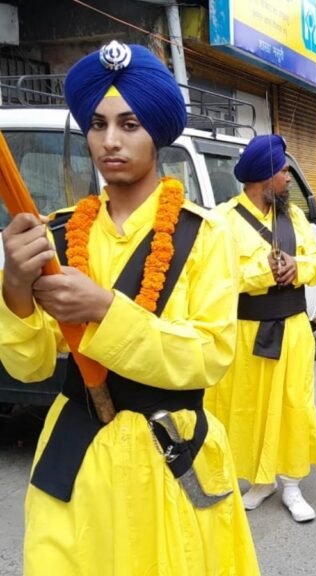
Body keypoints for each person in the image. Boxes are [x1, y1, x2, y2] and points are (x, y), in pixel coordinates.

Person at [0, 42, 259, 575]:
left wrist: (103, 309)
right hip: (76, 457)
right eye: (97, 125)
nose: (110, 141)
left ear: (158, 132)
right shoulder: (59, 232)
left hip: (170, 455)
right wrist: (16, 291)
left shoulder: (204, 236)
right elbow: (29, 366)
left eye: (129, 124)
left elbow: (206, 358)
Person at [205, 135, 316, 523]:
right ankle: (261, 481)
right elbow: (219, 277)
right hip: (246, 330)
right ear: (263, 176)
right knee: (249, 407)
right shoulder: (223, 220)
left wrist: (298, 268)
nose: (288, 178)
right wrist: (264, 272)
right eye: (282, 171)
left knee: (294, 404)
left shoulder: (292, 216)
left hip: (293, 327)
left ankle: (292, 484)